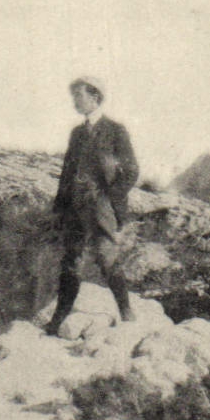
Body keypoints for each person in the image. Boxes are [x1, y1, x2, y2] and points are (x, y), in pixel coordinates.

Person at [47, 75, 138, 335]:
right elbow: (67, 172)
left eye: (79, 95)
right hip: (75, 208)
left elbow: (131, 171)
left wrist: (109, 199)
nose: (75, 101)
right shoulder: (77, 133)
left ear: (95, 97)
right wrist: (60, 208)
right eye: (74, 95)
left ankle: (126, 311)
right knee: (71, 262)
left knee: (107, 258)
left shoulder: (115, 131)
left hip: (102, 208)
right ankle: (59, 317)